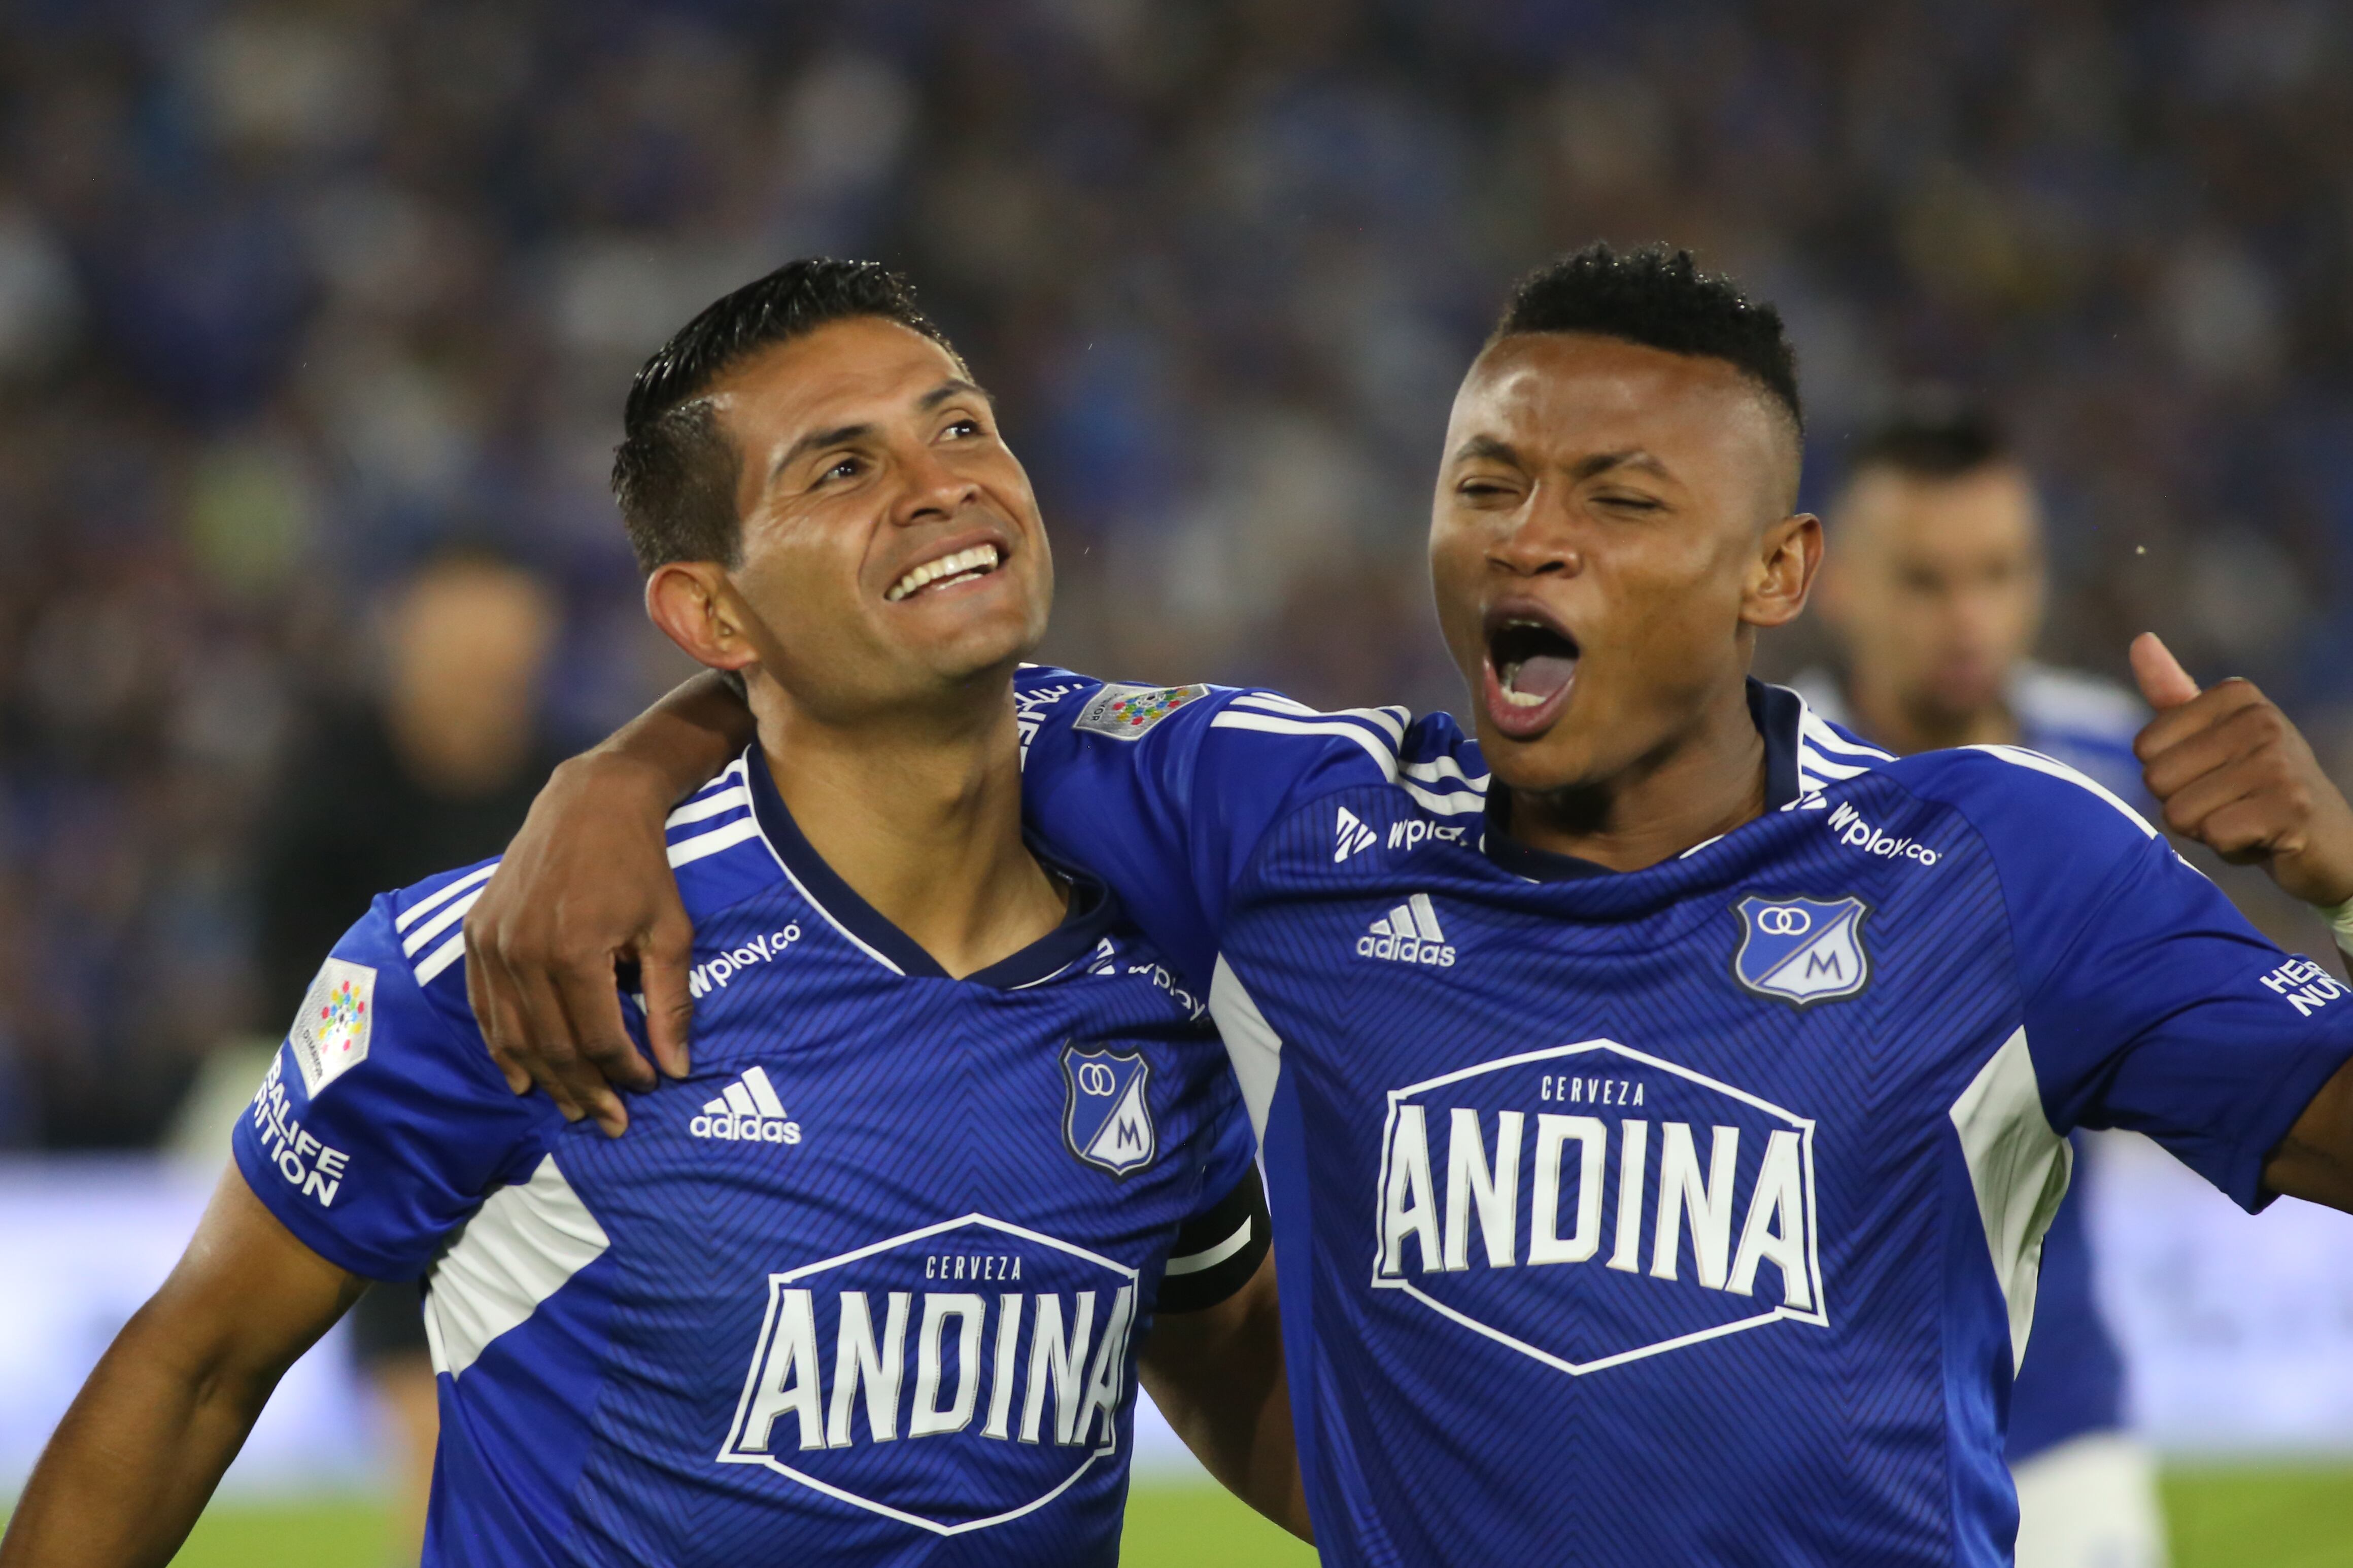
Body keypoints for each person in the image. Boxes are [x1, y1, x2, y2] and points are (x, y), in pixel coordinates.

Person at [464, 244, 2353, 1566]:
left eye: (1617, 499)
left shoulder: (2000, 865)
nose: (1529, 534)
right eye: (1485, 480)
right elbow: (904, 664)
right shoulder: (1277, 816)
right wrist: (617, 776)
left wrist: (2346, 883)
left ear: (1776, 570)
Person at [0, 260, 1302, 1568]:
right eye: (842, 469)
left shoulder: (1152, 950)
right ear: (710, 611)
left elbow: (1227, 1349)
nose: (942, 481)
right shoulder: (519, 970)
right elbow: (193, 1371)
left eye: (959, 424)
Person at [1796, 407, 2164, 1568]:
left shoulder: (2118, 764)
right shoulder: (1759, 786)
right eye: (1926, 580)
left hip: (2055, 1419)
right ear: (1838, 581)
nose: (1968, 618)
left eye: (1999, 574)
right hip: (1823, 1438)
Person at [253, 543, 568, 1565]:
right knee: (430, 1429)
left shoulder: (578, 790)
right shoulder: (333, 787)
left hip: (556, 1148)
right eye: (456, 616)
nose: (482, 643)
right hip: (391, 1138)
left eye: (501, 614)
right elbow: (290, 977)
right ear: (406, 631)